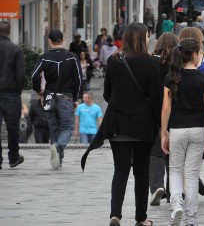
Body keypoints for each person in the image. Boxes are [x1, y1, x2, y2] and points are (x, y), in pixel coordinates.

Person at [80, 23, 160, 226]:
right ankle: (141, 218)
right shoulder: (152, 64)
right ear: (143, 38)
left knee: (120, 171)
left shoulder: (115, 62)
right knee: (142, 173)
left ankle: (115, 215)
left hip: (118, 126)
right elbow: (157, 97)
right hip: (143, 127)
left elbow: (107, 94)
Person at [161, 38, 204, 226]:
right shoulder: (203, 79)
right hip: (198, 129)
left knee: (175, 170)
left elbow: (165, 108)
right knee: (191, 174)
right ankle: (191, 219)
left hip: (176, 129)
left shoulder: (171, 78)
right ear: (194, 55)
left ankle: (176, 206)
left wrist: (164, 133)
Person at [32, 29, 82, 170]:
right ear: (63, 39)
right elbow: (78, 78)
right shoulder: (71, 57)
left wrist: (39, 92)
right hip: (65, 96)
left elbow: (34, 76)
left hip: (48, 96)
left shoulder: (44, 57)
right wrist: (76, 97)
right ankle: (58, 146)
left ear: (49, 41)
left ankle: (58, 161)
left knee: (53, 127)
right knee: (67, 127)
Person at [149, 32, 179, 207]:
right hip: (174, 113)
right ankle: (172, 190)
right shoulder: (177, 64)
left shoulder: (151, 63)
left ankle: (156, 187)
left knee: (155, 153)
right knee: (174, 154)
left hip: (153, 114)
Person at [0, 21, 25, 168]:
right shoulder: (16, 50)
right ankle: (13, 156)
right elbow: (21, 75)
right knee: (12, 127)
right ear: (9, 32)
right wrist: (18, 90)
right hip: (11, 93)